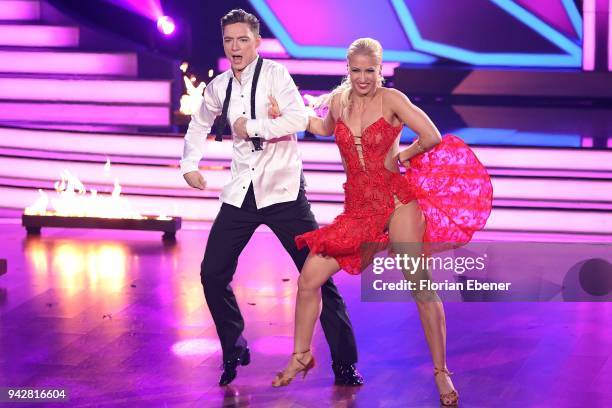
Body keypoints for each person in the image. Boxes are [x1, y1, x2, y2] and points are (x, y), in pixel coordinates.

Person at [268, 38, 492, 406]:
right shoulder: (339, 101)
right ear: (348, 69)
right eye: (356, 70)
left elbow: (431, 135)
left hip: (396, 203)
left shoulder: (392, 100)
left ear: (380, 69)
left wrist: (406, 153)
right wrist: (286, 117)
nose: (363, 78)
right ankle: (301, 355)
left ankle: (441, 373)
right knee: (309, 277)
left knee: (420, 288)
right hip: (357, 211)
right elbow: (324, 127)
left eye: (370, 71)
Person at [180, 9, 363, 387]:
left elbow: (298, 119)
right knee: (212, 274)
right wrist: (189, 164)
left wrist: (253, 127)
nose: (235, 47)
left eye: (242, 39)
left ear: (256, 42)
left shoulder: (276, 75)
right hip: (241, 194)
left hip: (283, 193)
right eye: (229, 40)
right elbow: (200, 122)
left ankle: (345, 364)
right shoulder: (219, 86)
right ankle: (234, 346)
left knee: (317, 277)